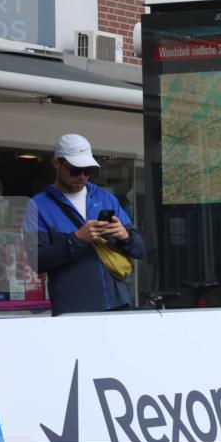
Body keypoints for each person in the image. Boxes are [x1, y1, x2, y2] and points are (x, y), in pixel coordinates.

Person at [22, 134, 145, 316]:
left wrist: (125, 236)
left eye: (87, 171)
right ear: (57, 163)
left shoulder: (106, 198)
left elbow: (140, 250)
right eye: (75, 170)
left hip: (118, 303)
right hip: (74, 309)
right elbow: (36, 261)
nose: (82, 177)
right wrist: (77, 239)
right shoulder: (37, 206)